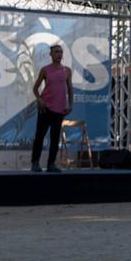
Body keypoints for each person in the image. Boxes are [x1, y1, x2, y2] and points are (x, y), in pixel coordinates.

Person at [31, 43, 74, 172]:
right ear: (51, 54)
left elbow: (70, 89)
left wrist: (71, 104)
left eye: (60, 52)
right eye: (56, 52)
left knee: (55, 138)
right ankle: (35, 163)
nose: (59, 54)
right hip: (45, 108)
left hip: (59, 109)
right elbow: (35, 88)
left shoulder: (67, 71)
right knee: (40, 136)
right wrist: (39, 100)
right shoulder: (45, 70)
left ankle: (51, 164)